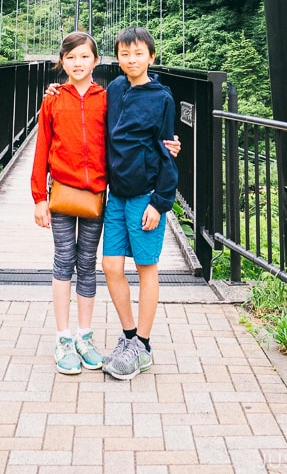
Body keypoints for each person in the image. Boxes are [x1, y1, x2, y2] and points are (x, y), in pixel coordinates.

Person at [101, 25, 178, 381]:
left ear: (151, 56)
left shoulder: (162, 98)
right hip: (115, 193)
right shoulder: (115, 89)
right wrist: (56, 92)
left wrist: (160, 203)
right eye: (124, 54)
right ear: (117, 58)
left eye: (138, 54)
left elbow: (166, 151)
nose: (131, 60)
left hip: (146, 194)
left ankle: (143, 346)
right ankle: (129, 336)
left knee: (147, 268)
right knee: (111, 266)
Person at [31, 31, 107, 375]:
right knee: (64, 260)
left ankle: (85, 337)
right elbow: (42, 148)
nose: (78, 63)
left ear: (96, 60)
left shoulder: (106, 99)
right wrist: (39, 199)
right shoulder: (52, 100)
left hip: (95, 195)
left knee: (87, 263)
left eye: (84, 57)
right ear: (61, 62)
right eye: (71, 57)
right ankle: (63, 338)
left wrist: (166, 145)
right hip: (61, 190)